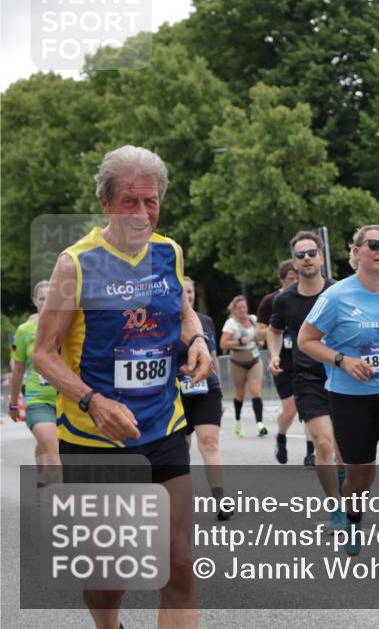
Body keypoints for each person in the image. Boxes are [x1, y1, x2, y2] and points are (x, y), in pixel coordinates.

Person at [33, 144, 211, 628]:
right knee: (112, 575)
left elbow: (182, 309)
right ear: (106, 203)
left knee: (178, 567)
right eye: (129, 201)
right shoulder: (77, 265)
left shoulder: (168, 252)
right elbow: (43, 353)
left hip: (164, 428)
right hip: (97, 440)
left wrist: (195, 338)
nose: (140, 213)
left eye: (150, 202)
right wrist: (93, 401)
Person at [299, 224, 379, 572]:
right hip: (350, 398)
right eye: (374, 245)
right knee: (360, 475)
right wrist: (342, 360)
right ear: (356, 252)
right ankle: (354, 520)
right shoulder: (337, 296)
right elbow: (306, 340)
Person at [268, 231, 345, 530]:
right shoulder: (284, 299)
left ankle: (348, 501)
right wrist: (274, 355)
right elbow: (274, 331)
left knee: (343, 447)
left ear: (321, 257)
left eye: (312, 253)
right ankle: (336, 510)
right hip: (307, 378)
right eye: (300, 255)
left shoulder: (340, 291)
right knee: (324, 444)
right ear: (295, 262)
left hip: (342, 375)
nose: (307, 258)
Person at [178, 276, 233, 521]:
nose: (187, 296)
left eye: (190, 292)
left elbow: (211, 356)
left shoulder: (205, 321)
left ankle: (220, 499)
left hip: (205, 389)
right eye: (183, 292)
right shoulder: (162, 322)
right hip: (176, 392)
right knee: (182, 447)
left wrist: (219, 390)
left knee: (209, 442)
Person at [257, 260, 315, 466]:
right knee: (290, 411)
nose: (294, 282)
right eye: (290, 279)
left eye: (296, 278)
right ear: (282, 280)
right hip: (283, 363)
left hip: (306, 362)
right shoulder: (272, 300)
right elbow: (260, 332)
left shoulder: (307, 298)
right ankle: (281, 436)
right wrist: (281, 324)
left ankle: (311, 454)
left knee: (308, 409)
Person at [8, 280, 60, 485]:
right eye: (42, 299)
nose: (47, 303)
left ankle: (42, 476)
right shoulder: (24, 330)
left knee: (49, 445)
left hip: (67, 399)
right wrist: (13, 403)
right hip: (38, 399)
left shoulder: (69, 324)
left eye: (51, 298)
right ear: (34, 301)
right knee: (53, 449)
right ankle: (61, 501)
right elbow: (18, 369)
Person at [220, 295, 267, 437]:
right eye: (239, 307)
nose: (242, 309)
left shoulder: (253, 319)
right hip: (237, 362)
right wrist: (239, 341)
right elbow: (223, 344)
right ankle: (238, 422)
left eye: (244, 307)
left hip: (254, 359)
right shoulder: (230, 324)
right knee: (240, 395)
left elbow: (261, 338)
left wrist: (260, 341)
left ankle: (260, 424)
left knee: (255, 391)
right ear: (234, 309)